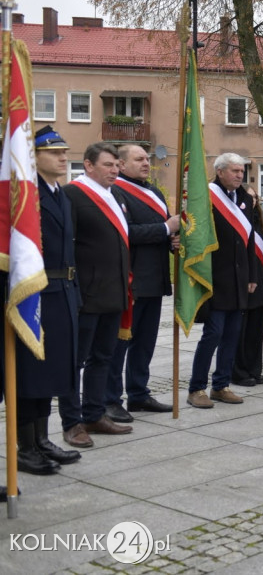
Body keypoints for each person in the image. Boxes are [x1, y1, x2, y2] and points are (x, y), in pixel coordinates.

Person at [4, 126, 82, 471]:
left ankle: (41, 438)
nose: (63, 157)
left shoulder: (59, 193)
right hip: (36, 294)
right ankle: (25, 448)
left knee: (52, 372)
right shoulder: (25, 195)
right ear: (31, 157)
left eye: (64, 152)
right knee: (30, 374)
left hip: (63, 293)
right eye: (54, 152)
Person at [61, 142, 133, 439]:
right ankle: (71, 422)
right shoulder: (73, 194)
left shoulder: (115, 194)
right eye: (108, 165)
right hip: (86, 294)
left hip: (113, 292)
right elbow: (67, 247)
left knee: (103, 357)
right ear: (89, 165)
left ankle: (94, 414)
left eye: (117, 165)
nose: (114, 171)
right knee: (74, 361)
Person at [105, 144, 178, 423]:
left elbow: (165, 228)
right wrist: (165, 229)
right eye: (139, 159)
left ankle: (139, 393)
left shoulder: (154, 191)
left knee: (145, 343)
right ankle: (111, 399)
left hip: (155, 279)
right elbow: (126, 232)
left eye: (147, 158)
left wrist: (173, 240)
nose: (146, 163)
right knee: (120, 343)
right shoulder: (116, 191)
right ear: (121, 165)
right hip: (131, 280)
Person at [187, 153, 258, 407]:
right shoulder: (206, 197)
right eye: (235, 171)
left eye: (242, 171)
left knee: (232, 334)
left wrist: (252, 275)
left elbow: (249, 239)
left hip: (239, 279)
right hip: (215, 277)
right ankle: (196, 388)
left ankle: (221, 385)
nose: (240, 175)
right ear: (220, 172)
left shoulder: (245, 200)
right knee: (213, 333)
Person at [232, 185, 263, 387]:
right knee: (241, 331)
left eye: (255, 197)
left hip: (261, 284)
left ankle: (254, 369)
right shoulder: (238, 222)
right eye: (249, 197)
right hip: (243, 285)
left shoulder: (260, 224)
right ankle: (239, 371)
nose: (253, 201)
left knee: (256, 331)